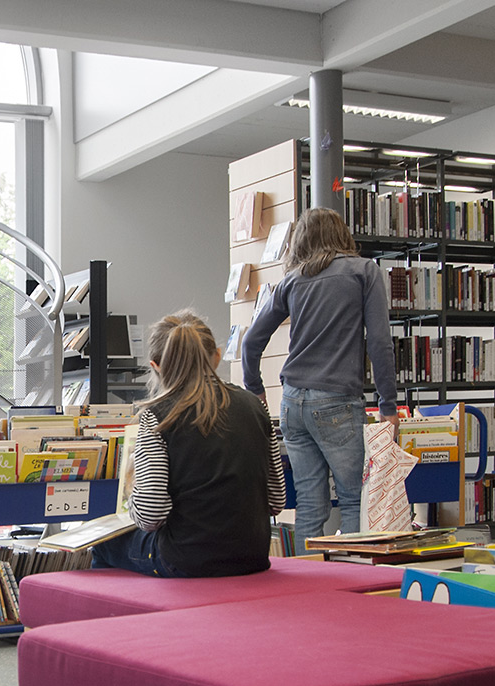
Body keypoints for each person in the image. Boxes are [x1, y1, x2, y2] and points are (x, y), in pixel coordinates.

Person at [240, 207, 398, 538]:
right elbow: (380, 342)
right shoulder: (363, 271)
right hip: (337, 401)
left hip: (292, 403)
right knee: (354, 499)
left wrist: (255, 389)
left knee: (310, 504)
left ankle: (305, 571)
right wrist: (388, 404)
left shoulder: (292, 281)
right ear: (341, 234)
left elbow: (251, 342)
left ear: (301, 240)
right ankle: (348, 571)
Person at [91, 309, 286, 577]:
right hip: (252, 556)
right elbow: (277, 500)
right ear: (216, 357)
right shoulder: (256, 406)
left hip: (186, 559)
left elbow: (150, 515)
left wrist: (132, 498)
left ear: (156, 366)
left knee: (103, 545)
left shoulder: (157, 416)